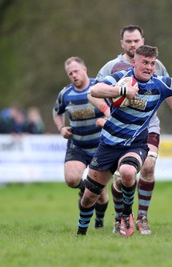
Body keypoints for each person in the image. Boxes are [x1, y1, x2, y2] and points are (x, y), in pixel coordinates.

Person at [77, 45, 172, 237]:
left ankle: (126, 215)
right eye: (145, 62)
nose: (149, 67)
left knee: (128, 172)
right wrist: (121, 91)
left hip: (136, 143)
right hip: (108, 145)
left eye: (152, 63)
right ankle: (80, 235)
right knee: (88, 198)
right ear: (134, 61)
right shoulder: (122, 77)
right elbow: (95, 90)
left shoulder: (160, 84)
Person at [96, 24, 172, 235]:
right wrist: (104, 110)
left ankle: (142, 217)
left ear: (142, 41)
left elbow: (170, 88)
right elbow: (95, 91)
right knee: (122, 175)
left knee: (147, 166)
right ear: (122, 44)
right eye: (128, 41)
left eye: (136, 40)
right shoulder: (112, 67)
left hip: (148, 125)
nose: (133, 44)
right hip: (119, 128)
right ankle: (121, 218)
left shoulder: (156, 64)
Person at [53, 56, 111, 229]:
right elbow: (57, 112)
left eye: (76, 71)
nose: (73, 75)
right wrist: (61, 128)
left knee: (100, 193)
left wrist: (106, 119)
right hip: (77, 145)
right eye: (70, 73)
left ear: (85, 69)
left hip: (100, 147)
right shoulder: (65, 94)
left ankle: (99, 221)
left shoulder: (100, 88)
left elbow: (115, 109)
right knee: (71, 179)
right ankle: (84, 188)